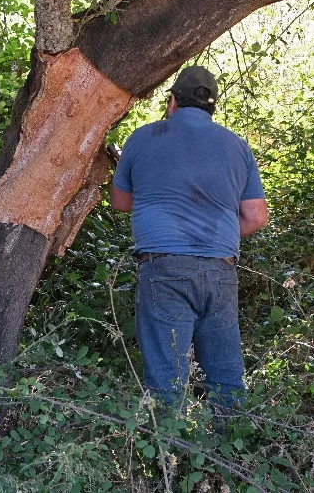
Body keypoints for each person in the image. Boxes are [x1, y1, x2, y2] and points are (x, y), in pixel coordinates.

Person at [110, 65, 269, 406]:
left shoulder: (142, 138)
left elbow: (120, 202)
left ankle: (168, 454)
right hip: (220, 269)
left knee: (167, 379)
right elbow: (256, 217)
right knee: (226, 376)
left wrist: (156, 194)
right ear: (212, 108)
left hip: (163, 269)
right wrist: (215, 236)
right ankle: (233, 453)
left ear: (171, 102)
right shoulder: (237, 147)